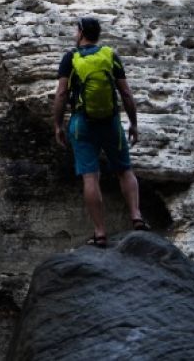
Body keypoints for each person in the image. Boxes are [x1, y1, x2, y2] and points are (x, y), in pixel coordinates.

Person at [52, 16, 147, 247]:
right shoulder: (109, 55)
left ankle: (100, 232)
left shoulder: (70, 58)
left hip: (81, 123)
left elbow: (62, 94)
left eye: (76, 30)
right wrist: (133, 123)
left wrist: (57, 125)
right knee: (124, 170)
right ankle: (136, 216)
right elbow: (125, 93)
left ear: (81, 32)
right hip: (110, 122)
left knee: (90, 176)